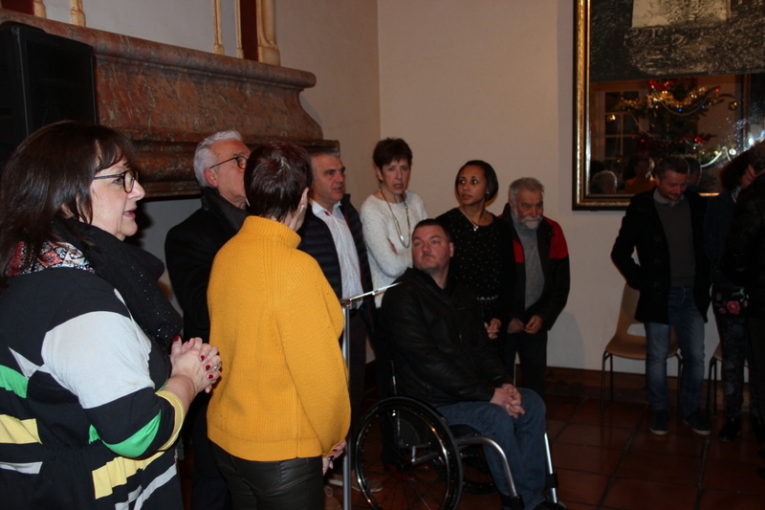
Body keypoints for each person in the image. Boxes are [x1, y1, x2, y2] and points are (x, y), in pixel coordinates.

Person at [0, 121, 220, 509]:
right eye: (121, 179)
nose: (139, 191)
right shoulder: (82, 305)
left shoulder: (30, 273)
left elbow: (71, 386)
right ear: (66, 197)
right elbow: (139, 433)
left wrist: (166, 369)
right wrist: (187, 378)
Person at [378, 219, 562, 510]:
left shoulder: (462, 294)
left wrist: (504, 384)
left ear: (451, 249)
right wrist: (488, 395)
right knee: (494, 415)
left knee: (532, 403)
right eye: (417, 243)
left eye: (434, 241)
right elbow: (428, 362)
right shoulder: (401, 296)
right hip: (429, 404)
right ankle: (522, 502)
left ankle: (533, 494)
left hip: (469, 394)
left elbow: (482, 350)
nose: (425, 248)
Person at [207, 142, 350, 509]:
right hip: (282, 450)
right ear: (303, 198)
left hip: (228, 438)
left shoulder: (226, 254)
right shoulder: (297, 269)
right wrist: (331, 437)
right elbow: (319, 373)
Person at [165, 130, 250, 510]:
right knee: (216, 484)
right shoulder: (187, 236)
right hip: (220, 377)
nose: (250, 168)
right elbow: (203, 309)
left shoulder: (263, 222)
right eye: (240, 161)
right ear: (212, 176)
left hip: (261, 373)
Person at [611, 156, 711, 436]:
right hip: (659, 294)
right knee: (656, 355)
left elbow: (709, 245)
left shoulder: (697, 203)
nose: (678, 190)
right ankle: (659, 410)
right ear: (657, 179)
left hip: (692, 293)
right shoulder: (642, 206)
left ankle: (691, 411)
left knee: (695, 355)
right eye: (672, 185)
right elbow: (620, 252)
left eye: (682, 184)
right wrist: (641, 281)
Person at [297, 149, 373, 439]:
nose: (339, 178)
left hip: (355, 319)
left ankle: (350, 454)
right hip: (323, 326)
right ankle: (327, 458)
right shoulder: (303, 222)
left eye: (341, 171)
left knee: (354, 395)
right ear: (310, 180)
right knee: (327, 400)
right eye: (330, 173)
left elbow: (362, 264)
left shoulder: (348, 213)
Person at [705, 151, 760, 442]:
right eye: (751, 172)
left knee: (759, 357)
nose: (755, 178)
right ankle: (733, 416)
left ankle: (759, 416)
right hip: (728, 289)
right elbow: (712, 247)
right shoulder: (721, 204)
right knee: (733, 357)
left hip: (758, 291)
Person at [500, 178, 570, 396]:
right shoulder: (496, 230)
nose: (534, 212)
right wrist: (505, 318)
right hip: (503, 320)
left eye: (538, 205)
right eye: (526, 206)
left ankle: (534, 417)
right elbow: (488, 285)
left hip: (536, 318)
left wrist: (544, 316)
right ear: (512, 204)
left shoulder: (552, 231)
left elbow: (561, 284)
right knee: (500, 382)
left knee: (535, 382)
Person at [437, 160, 513, 340]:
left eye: (474, 182)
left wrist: (500, 318)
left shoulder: (502, 228)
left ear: (488, 188)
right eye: (461, 181)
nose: (465, 187)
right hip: (456, 318)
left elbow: (509, 277)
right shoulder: (443, 224)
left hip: (495, 318)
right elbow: (438, 277)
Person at [722, 142, 765, 456]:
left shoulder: (755, 198)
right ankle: (738, 419)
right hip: (746, 292)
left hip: (759, 295)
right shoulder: (728, 202)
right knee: (740, 358)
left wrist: (740, 276)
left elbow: (737, 252)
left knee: (760, 365)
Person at [360, 137, 428, 306]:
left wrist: (401, 255)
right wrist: (418, 250)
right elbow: (392, 267)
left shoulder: (415, 201)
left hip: (418, 295)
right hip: (387, 302)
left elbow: (432, 252)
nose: (399, 176)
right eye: (391, 169)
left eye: (404, 168)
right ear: (379, 172)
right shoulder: (371, 209)